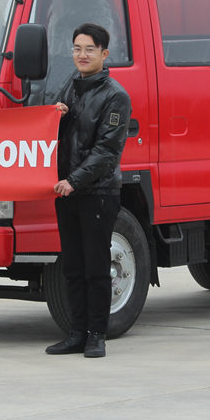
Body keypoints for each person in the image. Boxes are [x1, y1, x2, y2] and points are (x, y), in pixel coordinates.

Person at [46, 23, 131, 358]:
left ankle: (97, 334)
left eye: (89, 49)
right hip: (67, 192)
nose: (82, 55)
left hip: (97, 193)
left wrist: (75, 180)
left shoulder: (115, 96)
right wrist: (58, 116)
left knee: (96, 266)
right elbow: (59, 134)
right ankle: (76, 333)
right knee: (72, 266)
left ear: (104, 54)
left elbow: (106, 152)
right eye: (77, 49)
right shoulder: (70, 87)